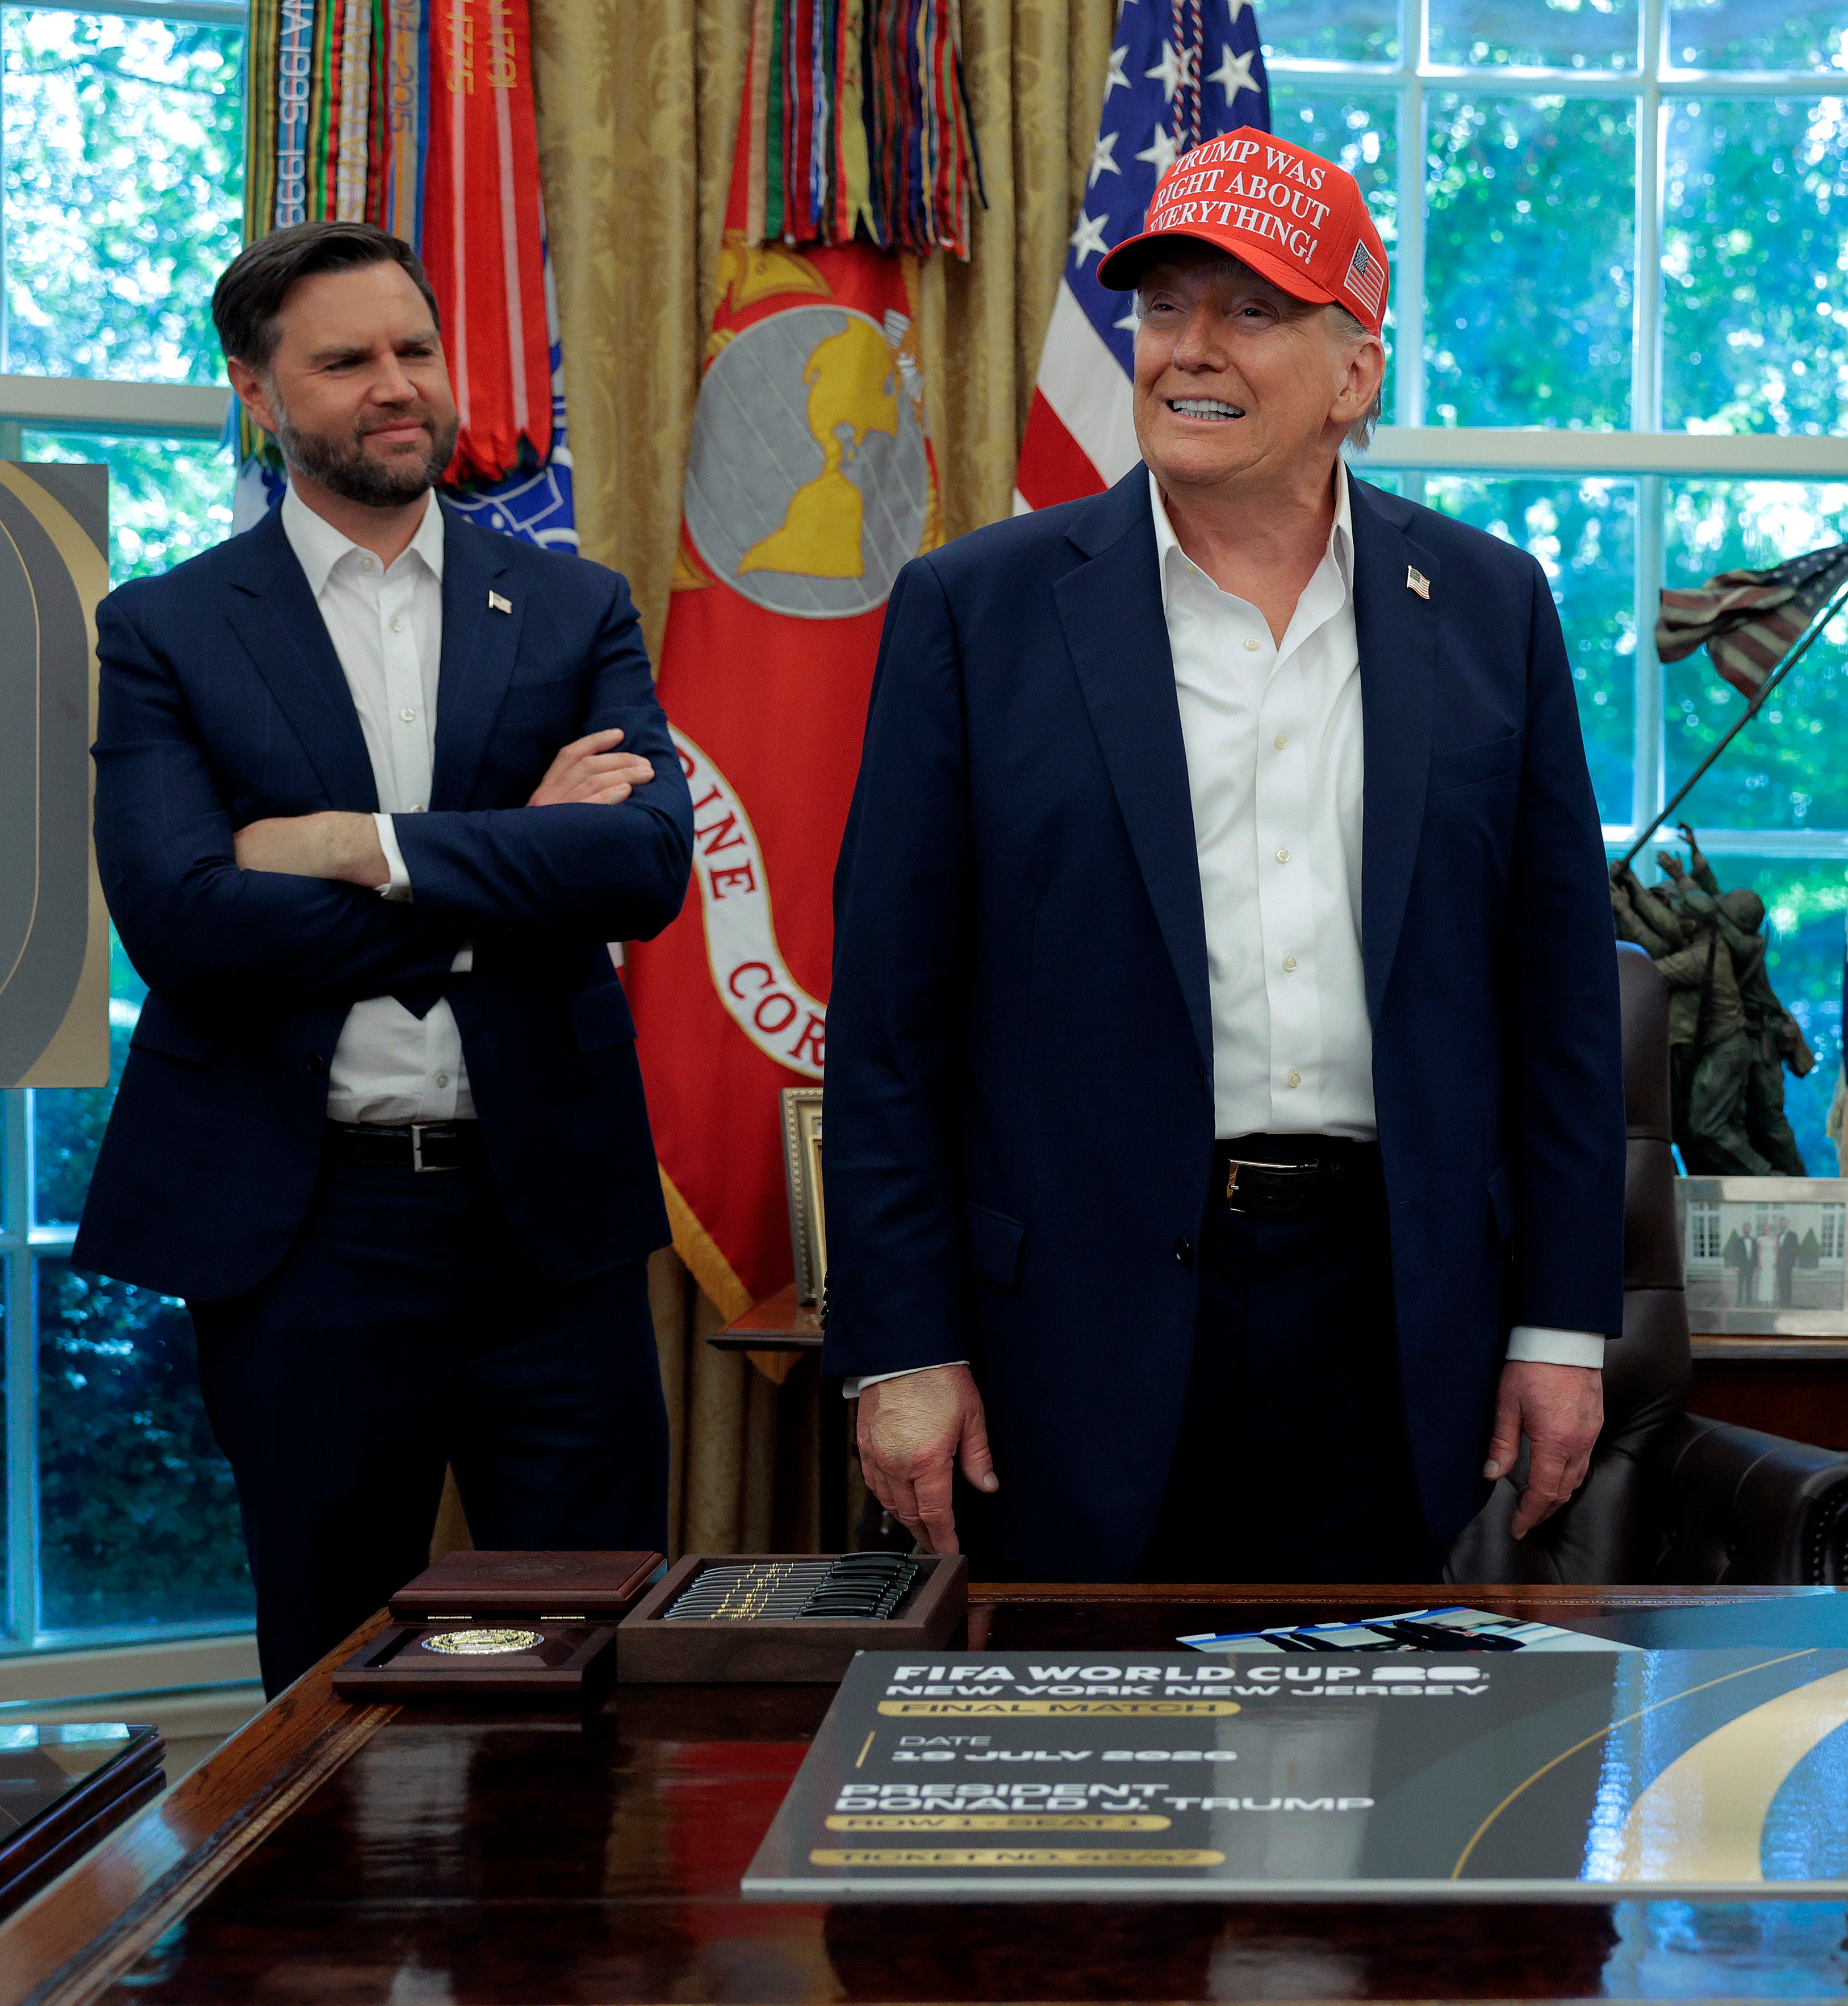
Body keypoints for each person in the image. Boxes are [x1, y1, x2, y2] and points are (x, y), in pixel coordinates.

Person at [826, 131, 1624, 1581]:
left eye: (1252, 312)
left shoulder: (1493, 609)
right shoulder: (973, 612)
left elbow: (1558, 1008)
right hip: (1067, 1325)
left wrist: (1563, 1328)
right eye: (1165, 308)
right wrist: (903, 1341)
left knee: (1370, 1776)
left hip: (1391, 1321)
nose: (1189, 350)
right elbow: (887, 1022)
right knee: (1083, 1790)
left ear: (1354, 372)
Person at [76, 221, 692, 1688]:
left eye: (414, 349)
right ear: (257, 391)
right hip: (308, 1233)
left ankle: (576, 1932)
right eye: (344, 361)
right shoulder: (167, 629)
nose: (395, 386)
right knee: (336, 1657)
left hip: (548, 1221)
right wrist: (507, 854)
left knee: (597, 1642)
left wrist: (368, 844)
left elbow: (643, 868)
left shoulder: (569, 605)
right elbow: (191, 927)